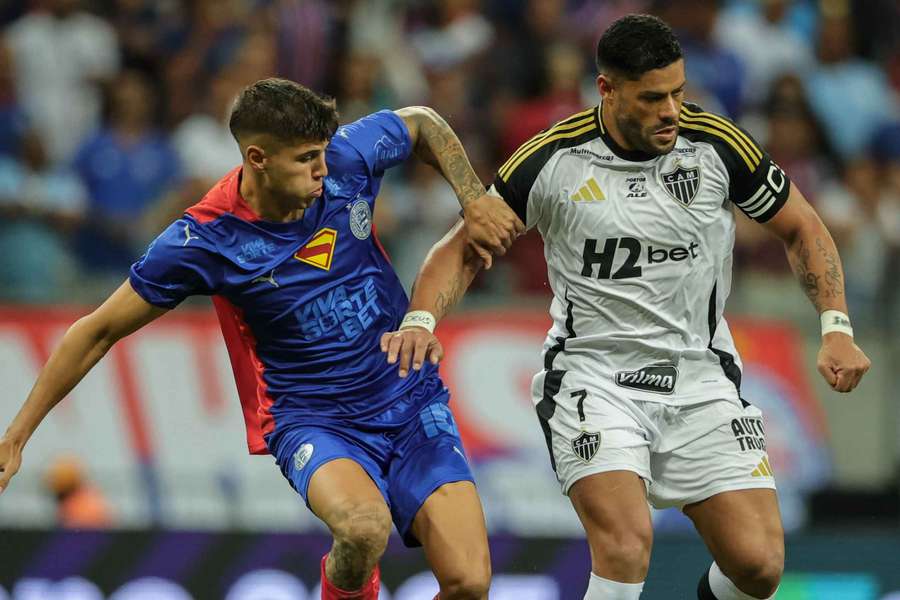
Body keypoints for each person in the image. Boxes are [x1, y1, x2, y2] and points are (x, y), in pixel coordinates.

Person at [382, 14, 871, 600]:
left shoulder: (715, 144)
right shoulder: (552, 160)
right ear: (607, 90)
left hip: (699, 377)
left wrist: (836, 325)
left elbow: (803, 226)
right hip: (594, 379)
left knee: (760, 568)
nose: (671, 110)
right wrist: (421, 318)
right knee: (625, 547)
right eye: (653, 97)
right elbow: (463, 247)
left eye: (678, 92)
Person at [0, 77, 523, 600]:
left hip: (410, 398)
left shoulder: (344, 160)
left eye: (322, 152)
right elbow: (97, 331)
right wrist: (17, 435)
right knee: (363, 530)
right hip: (314, 419)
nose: (323, 170)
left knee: (469, 582)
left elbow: (421, 124)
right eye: (305, 159)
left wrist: (473, 199)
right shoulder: (205, 239)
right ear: (258, 158)